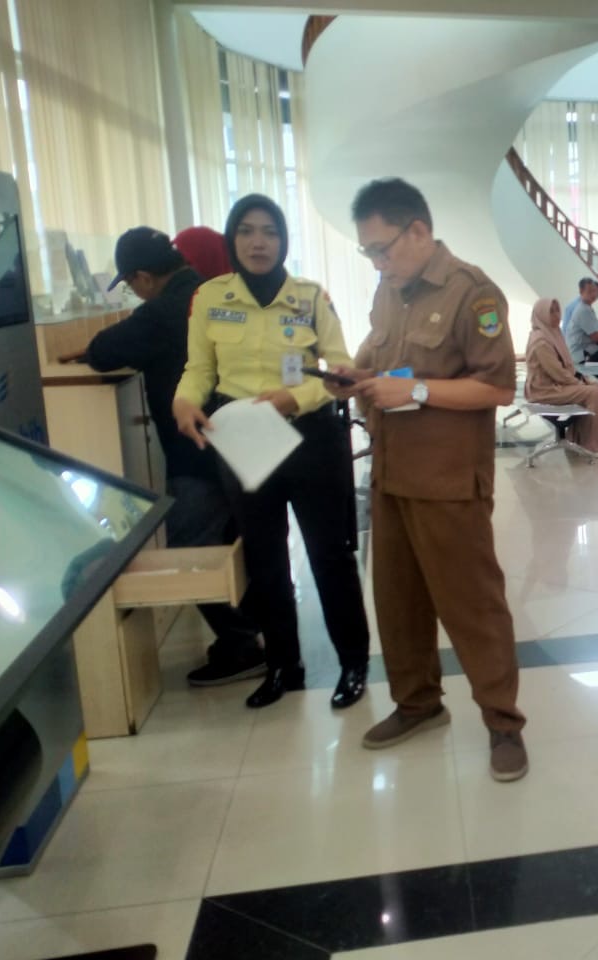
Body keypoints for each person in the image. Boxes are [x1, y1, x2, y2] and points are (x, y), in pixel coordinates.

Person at [325, 177, 528, 782]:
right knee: (398, 602)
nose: (377, 262)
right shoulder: (389, 290)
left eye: (382, 248)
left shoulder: (473, 292)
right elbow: (377, 354)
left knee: (472, 606)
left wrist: (415, 391)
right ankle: (418, 704)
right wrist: (351, 376)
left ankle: (503, 722)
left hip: (448, 480)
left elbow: (496, 387)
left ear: (418, 230)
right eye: (368, 252)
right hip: (391, 472)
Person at [172, 194, 371, 711]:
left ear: (283, 240)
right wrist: (184, 400)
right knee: (265, 558)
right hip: (243, 438)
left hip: (311, 438)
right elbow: (199, 369)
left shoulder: (310, 297)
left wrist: (294, 397)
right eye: (246, 231)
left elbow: (341, 372)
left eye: (269, 232)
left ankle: (353, 662)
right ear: (232, 239)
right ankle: (283, 665)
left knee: (329, 555)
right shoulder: (210, 297)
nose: (258, 242)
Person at [86, 227, 264, 687]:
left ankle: (241, 645)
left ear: (143, 277)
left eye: (131, 284)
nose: (135, 292)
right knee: (236, 543)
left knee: (191, 552)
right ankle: (255, 631)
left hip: (197, 455)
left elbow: (102, 352)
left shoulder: (161, 312)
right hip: (241, 441)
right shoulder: (213, 291)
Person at [525, 297, 598, 459]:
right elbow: (558, 372)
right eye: (551, 311)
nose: (556, 315)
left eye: (557, 310)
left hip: (558, 384)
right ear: (541, 314)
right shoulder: (541, 341)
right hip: (543, 390)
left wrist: (583, 380)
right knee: (591, 392)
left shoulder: (553, 333)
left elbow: (567, 366)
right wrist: (580, 383)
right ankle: (592, 444)